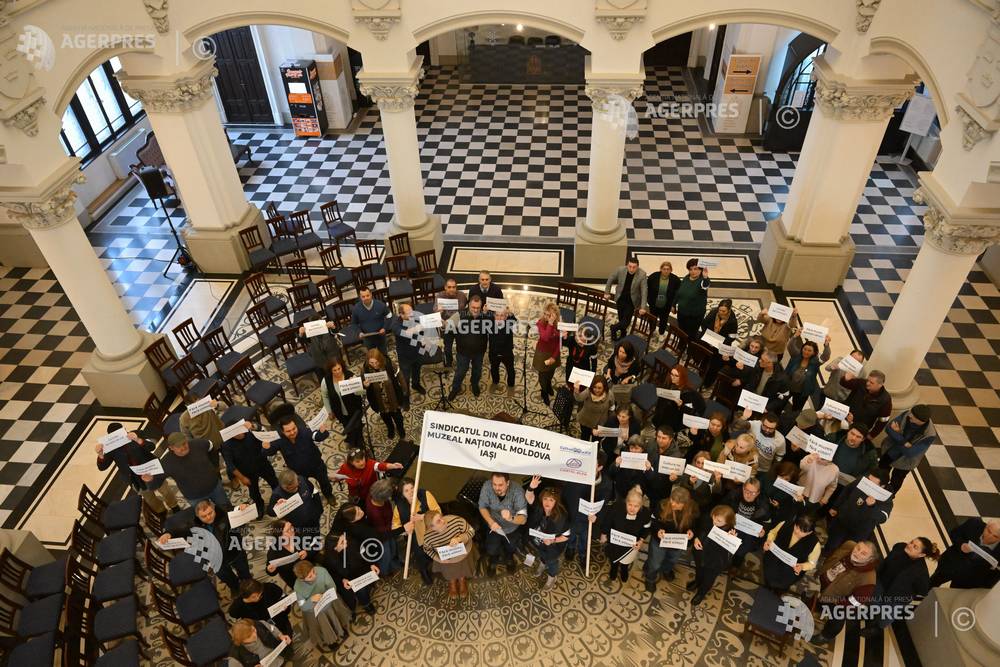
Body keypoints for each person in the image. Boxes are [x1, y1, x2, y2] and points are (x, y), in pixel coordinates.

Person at [160, 499, 250, 593]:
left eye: (210, 513)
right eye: (203, 516)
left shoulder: (224, 511)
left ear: (213, 508)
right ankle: (235, 588)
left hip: (235, 552)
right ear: (198, 516)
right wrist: (168, 534)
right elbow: (178, 531)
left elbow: (239, 509)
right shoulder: (193, 525)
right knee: (227, 578)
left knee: (244, 572)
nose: (208, 517)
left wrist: (244, 506)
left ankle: (248, 586)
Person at [861, 537, 939, 636]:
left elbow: (923, 590)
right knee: (873, 602)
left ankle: (877, 628)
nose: (909, 545)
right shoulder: (899, 547)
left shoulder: (921, 573)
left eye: (915, 547)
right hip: (883, 583)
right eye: (911, 542)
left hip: (896, 598)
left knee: (886, 616)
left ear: (922, 554)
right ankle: (871, 614)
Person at [95, 423, 178, 514]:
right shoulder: (110, 447)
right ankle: (161, 512)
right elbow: (102, 467)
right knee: (149, 498)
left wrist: (138, 439)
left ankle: (174, 506)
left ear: (124, 430)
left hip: (151, 470)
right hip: (135, 479)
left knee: (165, 490)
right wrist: (100, 454)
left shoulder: (137, 434)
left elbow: (151, 446)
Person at [812, 540, 878, 645]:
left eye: (863, 554)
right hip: (823, 585)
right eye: (858, 548)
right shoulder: (849, 545)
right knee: (818, 601)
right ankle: (818, 605)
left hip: (838, 601)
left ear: (870, 559)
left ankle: (826, 636)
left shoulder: (868, 579)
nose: (857, 553)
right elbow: (833, 556)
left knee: (837, 619)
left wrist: (838, 604)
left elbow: (856, 601)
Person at [144, 432, 230, 509]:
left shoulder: (199, 444)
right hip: (194, 497)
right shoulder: (166, 463)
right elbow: (155, 484)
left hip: (215, 487)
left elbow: (211, 447)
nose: (183, 447)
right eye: (178, 446)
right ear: (171, 448)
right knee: (204, 517)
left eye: (184, 443)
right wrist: (150, 480)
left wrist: (214, 465)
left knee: (225, 507)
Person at [263, 413, 334, 499]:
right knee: (304, 488)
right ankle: (311, 499)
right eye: (288, 431)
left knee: (325, 482)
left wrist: (322, 432)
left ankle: (329, 495)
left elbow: (317, 436)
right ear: (282, 431)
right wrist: (266, 448)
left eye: (294, 428)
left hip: (316, 466)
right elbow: (271, 451)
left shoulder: (304, 431)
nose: (292, 432)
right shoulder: (279, 440)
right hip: (299, 472)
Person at [561, 452, 614, 567]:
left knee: (585, 539)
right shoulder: (576, 475)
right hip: (573, 514)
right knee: (571, 534)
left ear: (600, 467)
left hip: (589, 519)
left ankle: (583, 555)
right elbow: (566, 492)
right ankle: (570, 548)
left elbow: (604, 505)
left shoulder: (606, 484)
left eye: (592, 464)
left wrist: (597, 517)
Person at [825, 469, 893, 554]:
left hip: (858, 532)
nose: (868, 484)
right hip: (842, 520)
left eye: (872, 484)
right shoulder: (862, 481)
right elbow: (847, 491)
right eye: (868, 479)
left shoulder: (886, 499)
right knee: (831, 543)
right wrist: (836, 507)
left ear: (882, 486)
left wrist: (872, 506)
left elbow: (883, 518)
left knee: (847, 550)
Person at [644, 487, 699, 591]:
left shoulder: (693, 509)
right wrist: (658, 530)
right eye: (672, 499)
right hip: (660, 541)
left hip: (678, 542)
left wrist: (692, 531)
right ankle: (650, 578)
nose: (673, 504)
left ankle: (666, 570)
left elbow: (695, 525)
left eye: (677, 503)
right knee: (655, 562)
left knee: (672, 559)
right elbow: (653, 521)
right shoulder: (662, 505)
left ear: (685, 504)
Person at [221, 418, 278, 518]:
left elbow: (263, 430)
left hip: (262, 464)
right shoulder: (226, 445)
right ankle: (259, 506)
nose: (240, 433)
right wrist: (242, 478)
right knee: (254, 492)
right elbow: (230, 465)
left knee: (274, 482)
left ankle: (278, 498)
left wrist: (253, 427)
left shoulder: (250, 432)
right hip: (247, 472)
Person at [293, 560, 353, 652]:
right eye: (310, 576)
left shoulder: (321, 571)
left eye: (313, 571)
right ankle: (330, 640)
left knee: (332, 609)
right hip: (313, 609)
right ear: (302, 579)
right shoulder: (297, 587)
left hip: (329, 599)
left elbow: (332, 586)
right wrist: (311, 600)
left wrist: (326, 596)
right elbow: (303, 606)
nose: (314, 576)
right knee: (321, 616)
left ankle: (340, 629)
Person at [323, 521, 381, 615]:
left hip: (361, 567)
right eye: (342, 542)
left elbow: (363, 552)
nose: (346, 541)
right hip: (350, 578)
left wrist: (371, 564)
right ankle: (366, 604)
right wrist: (342, 580)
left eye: (343, 538)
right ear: (334, 548)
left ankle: (369, 586)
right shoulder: (329, 560)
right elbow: (332, 574)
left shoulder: (351, 541)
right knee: (361, 590)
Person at [523, 480, 571, 590]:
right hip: (539, 543)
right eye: (545, 499)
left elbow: (566, 536)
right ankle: (542, 564)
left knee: (552, 562)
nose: (547, 502)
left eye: (551, 500)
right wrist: (531, 487)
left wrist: (553, 541)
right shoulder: (539, 508)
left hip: (552, 548)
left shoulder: (561, 517)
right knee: (542, 556)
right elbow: (529, 498)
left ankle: (552, 577)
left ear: (556, 501)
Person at [392, 478, 440, 586]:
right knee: (419, 553)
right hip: (414, 535)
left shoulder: (425, 494)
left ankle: (439, 562)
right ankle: (423, 570)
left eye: (412, 488)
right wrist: (404, 529)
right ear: (402, 494)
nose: (411, 492)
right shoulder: (398, 507)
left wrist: (423, 516)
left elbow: (438, 511)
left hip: (431, 529)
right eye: (406, 491)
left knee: (437, 546)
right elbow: (395, 527)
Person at [478, 472, 528, 576]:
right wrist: (491, 522)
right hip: (494, 526)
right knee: (491, 548)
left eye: (500, 485)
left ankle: (509, 559)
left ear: (508, 483)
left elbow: (523, 519)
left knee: (511, 547)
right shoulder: (487, 486)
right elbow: (482, 506)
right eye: (494, 484)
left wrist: (511, 517)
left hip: (512, 528)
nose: (496, 488)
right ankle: (493, 560)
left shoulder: (517, 491)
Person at [928, 519, 1000, 589]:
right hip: (950, 564)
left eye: (995, 536)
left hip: (969, 581)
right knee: (932, 583)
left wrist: (983, 587)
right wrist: (961, 545)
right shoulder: (973, 524)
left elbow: (996, 574)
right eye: (989, 531)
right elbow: (954, 533)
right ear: (986, 526)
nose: (989, 536)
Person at [688, 504, 737, 606]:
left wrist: (732, 539)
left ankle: (701, 593)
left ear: (727, 522)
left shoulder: (731, 532)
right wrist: (696, 538)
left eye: (719, 521)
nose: (714, 521)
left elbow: (730, 551)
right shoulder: (708, 519)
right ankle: (697, 582)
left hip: (715, 562)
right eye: (714, 517)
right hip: (701, 554)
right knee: (699, 570)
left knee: (708, 579)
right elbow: (698, 529)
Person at [878, 404, 935, 491]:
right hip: (890, 452)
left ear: (921, 421)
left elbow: (910, 453)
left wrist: (898, 433)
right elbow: (889, 428)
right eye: (911, 412)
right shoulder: (907, 414)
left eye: (913, 416)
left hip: (905, 462)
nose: (909, 415)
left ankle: (888, 497)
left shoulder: (929, 435)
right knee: (880, 474)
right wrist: (904, 442)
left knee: (896, 481)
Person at [600, 488, 651, 584]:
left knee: (627, 559)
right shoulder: (616, 508)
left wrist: (641, 540)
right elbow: (607, 521)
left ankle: (624, 569)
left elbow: (646, 528)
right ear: (626, 502)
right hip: (615, 540)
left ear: (641, 506)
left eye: (636, 506)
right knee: (613, 557)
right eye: (630, 505)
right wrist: (604, 534)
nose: (632, 508)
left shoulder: (645, 513)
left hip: (632, 543)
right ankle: (614, 568)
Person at [422, 510, 477, 598]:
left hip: (463, 552)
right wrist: (438, 559)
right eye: (438, 521)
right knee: (449, 571)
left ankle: (462, 581)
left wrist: (459, 538)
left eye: (441, 517)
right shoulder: (428, 537)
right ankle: (452, 583)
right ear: (432, 527)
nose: (443, 521)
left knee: (463, 567)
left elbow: (472, 531)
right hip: (445, 558)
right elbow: (427, 549)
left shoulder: (457, 521)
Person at [762, 515, 820, 594]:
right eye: (796, 527)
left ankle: (778, 592)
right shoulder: (785, 524)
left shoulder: (815, 544)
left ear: (809, 532)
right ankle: (767, 587)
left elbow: (812, 563)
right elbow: (773, 533)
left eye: (802, 531)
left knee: (781, 586)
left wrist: (802, 566)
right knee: (768, 577)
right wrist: (769, 541)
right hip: (774, 557)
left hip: (791, 568)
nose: (797, 531)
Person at [448, 295, 490, 400]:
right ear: (468, 306)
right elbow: (447, 325)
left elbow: (499, 324)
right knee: (460, 372)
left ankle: (474, 384)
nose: (475, 310)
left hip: (479, 352)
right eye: (473, 307)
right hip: (463, 352)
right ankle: (455, 388)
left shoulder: (485, 316)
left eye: (478, 308)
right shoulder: (459, 315)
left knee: (477, 371)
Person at [722, 478, 771, 568]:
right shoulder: (733, 495)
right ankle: (723, 562)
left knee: (743, 550)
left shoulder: (763, 504)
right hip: (732, 524)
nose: (748, 494)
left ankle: (735, 565)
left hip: (750, 531)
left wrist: (764, 531)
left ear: (758, 493)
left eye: (753, 492)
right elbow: (723, 507)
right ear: (743, 488)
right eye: (746, 490)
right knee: (725, 544)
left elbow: (767, 521)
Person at [363, 348, 407, 443]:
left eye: (376, 362)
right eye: (371, 363)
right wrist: (365, 385)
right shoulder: (365, 369)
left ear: (380, 359)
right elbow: (363, 386)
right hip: (379, 401)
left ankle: (401, 429)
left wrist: (404, 390)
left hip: (393, 399)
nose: (374, 365)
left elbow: (400, 376)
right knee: (386, 418)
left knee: (398, 418)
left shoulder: (389, 364)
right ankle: (390, 429)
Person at [364, 478, 403, 576]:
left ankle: (394, 564)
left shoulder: (372, 495)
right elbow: (382, 529)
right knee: (387, 554)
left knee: (393, 547)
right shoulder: (376, 512)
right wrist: (398, 526)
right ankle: (384, 572)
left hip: (387, 527)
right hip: (382, 534)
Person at [322, 357, 363, 450]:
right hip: (340, 412)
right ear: (330, 370)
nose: (337, 372)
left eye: (339, 369)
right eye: (334, 370)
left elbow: (361, 393)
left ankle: (360, 447)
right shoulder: (326, 381)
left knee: (358, 428)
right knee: (347, 427)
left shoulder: (350, 376)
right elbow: (325, 396)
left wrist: (357, 385)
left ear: (342, 367)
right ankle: (352, 440)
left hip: (354, 410)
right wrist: (329, 411)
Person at [731, 408, 786, 479]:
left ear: (776, 427)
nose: (767, 430)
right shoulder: (756, 424)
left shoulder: (780, 440)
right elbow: (736, 426)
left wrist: (771, 473)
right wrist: (744, 417)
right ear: (761, 422)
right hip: (746, 463)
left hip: (763, 470)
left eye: (771, 428)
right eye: (765, 426)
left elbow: (778, 459)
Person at [336, 447, 403, 503]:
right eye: (357, 461)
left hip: (369, 492)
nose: (362, 463)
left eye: (362, 459)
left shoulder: (370, 464)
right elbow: (338, 476)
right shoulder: (345, 467)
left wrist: (393, 466)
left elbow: (380, 466)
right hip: (353, 494)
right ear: (351, 462)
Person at [838, 370, 892, 438]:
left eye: (871, 382)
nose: (867, 383)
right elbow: (844, 383)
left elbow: (882, 421)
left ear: (880, 385)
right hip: (843, 420)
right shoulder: (861, 383)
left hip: (860, 430)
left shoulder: (886, 399)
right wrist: (845, 379)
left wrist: (872, 435)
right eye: (868, 380)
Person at [827, 423, 878, 494]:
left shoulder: (869, 453)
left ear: (863, 439)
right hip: (826, 478)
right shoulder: (834, 438)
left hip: (846, 487)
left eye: (858, 437)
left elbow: (872, 472)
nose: (853, 438)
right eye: (852, 433)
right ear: (848, 432)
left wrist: (857, 481)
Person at [604, 257, 648, 341]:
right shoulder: (620, 270)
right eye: (629, 266)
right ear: (627, 265)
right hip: (620, 298)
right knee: (621, 318)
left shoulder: (642, 274)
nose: (631, 269)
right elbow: (611, 278)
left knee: (626, 320)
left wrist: (643, 307)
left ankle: (613, 328)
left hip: (632, 301)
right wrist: (607, 292)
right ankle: (623, 333)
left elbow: (644, 291)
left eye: (634, 267)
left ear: (637, 267)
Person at [652, 365, 704, 433]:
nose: (673, 377)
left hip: (674, 417)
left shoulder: (688, 394)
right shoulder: (669, 383)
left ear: (682, 377)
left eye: (676, 376)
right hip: (663, 411)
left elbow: (689, 411)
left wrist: (681, 405)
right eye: (672, 374)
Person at [784, 336, 831, 411]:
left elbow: (825, 357)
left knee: (796, 410)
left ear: (814, 352)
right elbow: (790, 346)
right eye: (804, 349)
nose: (806, 352)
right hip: (787, 387)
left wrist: (826, 345)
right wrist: (795, 336)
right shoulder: (796, 355)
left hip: (802, 392)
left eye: (809, 350)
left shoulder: (816, 362)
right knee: (780, 403)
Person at [700, 298, 739, 387]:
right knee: (705, 359)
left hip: (721, 345)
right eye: (720, 310)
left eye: (723, 311)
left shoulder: (732, 321)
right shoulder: (714, 312)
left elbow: (733, 336)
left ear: (729, 310)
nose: (721, 312)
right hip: (709, 341)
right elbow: (704, 324)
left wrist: (720, 342)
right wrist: (709, 336)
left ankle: (707, 383)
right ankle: (700, 374)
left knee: (714, 366)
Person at [265, 520, 314, 589]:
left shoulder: (300, 534)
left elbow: (315, 546)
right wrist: (270, 570)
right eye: (288, 530)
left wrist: (308, 552)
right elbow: (271, 571)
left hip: (310, 569)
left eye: (291, 527)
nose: (292, 530)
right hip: (294, 578)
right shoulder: (274, 550)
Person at [391, 303, 426, 395]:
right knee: (405, 376)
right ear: (401, 314)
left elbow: (421, 332)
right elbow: (404, 333)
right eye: (409, 313)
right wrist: (417, 328)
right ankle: (406, 393)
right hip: (405, 355)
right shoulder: (395, 324)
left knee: (417, 370)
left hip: (417, 351)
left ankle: (416, 384)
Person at [644, 425, 683, 509]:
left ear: (671, 439)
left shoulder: (676, 455)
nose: (660, 440)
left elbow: (679, 478)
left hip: (662, 488)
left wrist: (674, 478)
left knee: (657, 508)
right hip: (647, 480)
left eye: (664, 438)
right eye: (658, 437)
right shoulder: (651, 444)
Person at [297, 316, 345, 382]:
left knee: (340, 374)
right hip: (319, 359)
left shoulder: (328, 327)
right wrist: (300, 334)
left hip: (333, 355)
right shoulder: (308, 332)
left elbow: (336, 332)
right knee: (324, 379)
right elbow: (301, 341)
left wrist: (333, 327)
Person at [532, 302, 562, 405]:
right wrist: (550, 323)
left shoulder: (559, 324)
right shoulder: (541, 323)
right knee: (543, 376)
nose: (547, 317)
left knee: (551, 372)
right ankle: (544, 392)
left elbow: (560, 342)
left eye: (550, 315)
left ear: (556, 315)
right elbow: (545, 338)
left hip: (554, 353)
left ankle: (548, 385)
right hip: (542, 353)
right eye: (546, 314)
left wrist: (554, 357)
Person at [674, 259, 711, 339]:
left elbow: (705, 286)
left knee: (691, 335)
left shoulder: (702, 280)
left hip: (695, 316)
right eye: (690, 269)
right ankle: (681, 345)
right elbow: (679, 292)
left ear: (700, 270)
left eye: (695, 269)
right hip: (682, 313)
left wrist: (705, 277)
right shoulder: (687, 278)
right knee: (681, 331)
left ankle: (690, 348)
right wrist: (673, 304)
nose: (693, 271)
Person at [435, 277, 468, 367]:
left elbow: (466, 309)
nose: (451, 289)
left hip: (458, 326)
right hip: (446, 326)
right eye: (449, 287)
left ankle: (461, 362)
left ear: (456, 287)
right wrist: (439, 312)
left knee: (461, 346)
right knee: (447, 349)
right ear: (445, 287)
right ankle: (449, 363)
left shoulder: (462, 295)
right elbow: (435, 313)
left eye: (454, 287)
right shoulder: (439, 296)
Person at [350, 286, 390, 357]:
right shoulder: (356, 308)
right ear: (360, 297)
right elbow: (353, 324)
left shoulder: (380, 304)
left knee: (384, 355)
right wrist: (359, 332)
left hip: (380, 336)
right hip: (367, 338)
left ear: (371, 294)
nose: (366, 298)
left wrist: (384, 328)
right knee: (372, 357)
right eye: (363, 296)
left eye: (367, 295)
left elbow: (389, 316)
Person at [573, 375, 612, 442]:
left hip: (600, 423)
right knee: (585, 439)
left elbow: (612, 407)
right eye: (594, 387)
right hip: (586, 421)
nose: (596, 390)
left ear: (604, 388)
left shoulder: (609, 394)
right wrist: (576, 390)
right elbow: (579, 399)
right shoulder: (588, 391)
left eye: (599, 388)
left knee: (596, 441)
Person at [612, 436, 652, 500]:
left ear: (642, 449)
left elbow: (650, 478)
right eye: (631, 448)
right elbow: (611, 473)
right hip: (621, 491)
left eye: (636, 448)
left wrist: (648, 469)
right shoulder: (623, 456)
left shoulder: (647, 459)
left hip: (637, 493)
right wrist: (616, 464)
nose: (633, 451)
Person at [489, 308, 518, 397]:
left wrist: (510, 313)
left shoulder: (509, 323)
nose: (499, 318)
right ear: (494, 316)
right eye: (497, 315)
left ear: (506, 317)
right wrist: (486, 311)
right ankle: (495, 382)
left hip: (507, 353)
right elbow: (484, 317)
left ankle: (511, 386)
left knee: (510, 371)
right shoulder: (490, 324)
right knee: (494, 369)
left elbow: (514, 320)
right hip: (494, 353)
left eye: (502, 315)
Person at [646, 260, 680, 335]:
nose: (666, 271)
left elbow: (677, 293)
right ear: (661, 269)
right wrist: (648, 299)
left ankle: (661, 333)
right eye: (664, 269)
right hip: (654, 304)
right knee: (652, 319)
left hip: (666, 305)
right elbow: (647, 287)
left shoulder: (675, 280)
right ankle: (652, 330)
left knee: (663, 321)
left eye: (668, 269)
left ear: (671, 270)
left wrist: (673, 305)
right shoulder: (653, 276)